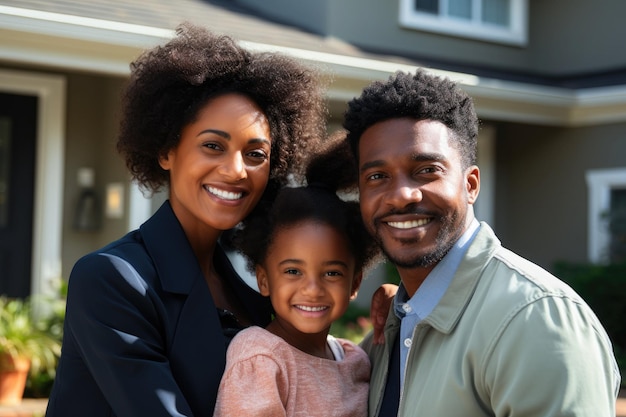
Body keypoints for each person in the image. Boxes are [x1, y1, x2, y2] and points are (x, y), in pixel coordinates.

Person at [45, 22, 327, 417]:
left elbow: (319, 375)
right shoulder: (112, 280)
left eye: (255, 154)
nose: (236, 171)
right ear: (166, 151)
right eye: (213, 146)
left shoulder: (254, 296)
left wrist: (392, 317)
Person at [342, 69, 621, 416]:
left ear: (471, 184)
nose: (401, 196)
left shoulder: (535, 319)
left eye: (427, 170)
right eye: (377, 177)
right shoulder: (388, 332)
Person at [213, 135, 381, 417]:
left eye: (331, 273)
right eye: (293, 271)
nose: (312, 289)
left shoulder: (354, 359)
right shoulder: (262, 358)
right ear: (264, 279)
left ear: (354, 283)